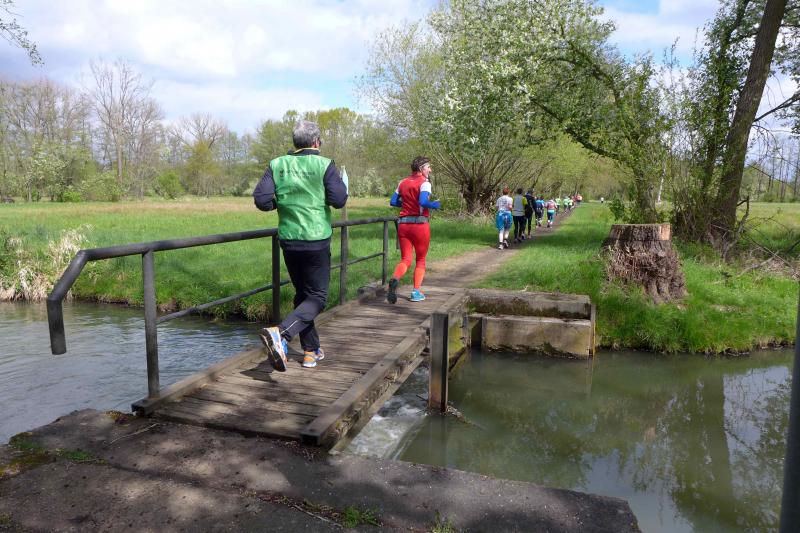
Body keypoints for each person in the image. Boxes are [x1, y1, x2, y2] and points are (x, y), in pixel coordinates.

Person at [253, 120, 348, 371]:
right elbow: (339, 200)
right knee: (317, 297)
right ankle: (281, 333)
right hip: (316, 240)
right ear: (316, 142)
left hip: (289, 240)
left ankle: (310, 351)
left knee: (303, 296)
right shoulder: (324, 164)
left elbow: (262, 200)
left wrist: (281, 203)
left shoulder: (277, 164)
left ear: (296, 142)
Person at [386, 156, 441, 304]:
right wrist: (435, 205)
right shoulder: (425, 183)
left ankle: (395, 278)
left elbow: (393, 201)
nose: (430, 170)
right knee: (421, 260)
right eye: (428, 167)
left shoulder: (402, 182)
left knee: (406, 259)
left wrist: (406, 204)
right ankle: (416, 292)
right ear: (421, 169)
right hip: (419, 225)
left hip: (403, 225)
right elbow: (423, 202)